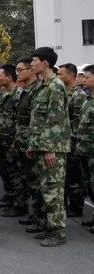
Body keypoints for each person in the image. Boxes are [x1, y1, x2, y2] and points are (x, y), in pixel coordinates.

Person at [27, 47, 71, 246]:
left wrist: (50, 149)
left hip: (52, 148)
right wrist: (33, 144)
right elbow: (38, 120)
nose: (32, 64)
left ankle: (58, 232)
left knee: (53, 191)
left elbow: (56, 120)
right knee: (45, 189)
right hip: (41, 146)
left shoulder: (55, 86)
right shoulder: (42, 85)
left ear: (45, 63)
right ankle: (50, 226)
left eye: (34, 60)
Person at [5, 57, 39, 220]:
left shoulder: (37, 91)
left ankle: (39, 217)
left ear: (31, 70)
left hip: (31, 144)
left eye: (20, 70)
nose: (17, 73)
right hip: (21, 142)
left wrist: (32, 144)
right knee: (26, 180)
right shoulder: (24, 91)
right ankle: (32, 213)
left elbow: (36, 122)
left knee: (35, 182)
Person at [58, 63, 88, 217]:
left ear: (70, 75)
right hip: (63, 142)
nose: (58, 77)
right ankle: (67, 204)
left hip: (73, 142)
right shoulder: (62, 92)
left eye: (61, 74)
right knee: (66, 176)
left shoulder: (78, 95)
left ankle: (76, 207)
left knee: (75, 176)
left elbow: (77, 122)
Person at [0, 64, 20, 211]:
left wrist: (16, 142)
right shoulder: (3, 94)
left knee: (15, 174)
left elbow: (21, 120)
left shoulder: (18, 94)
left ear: (9, 77)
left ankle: (19, 203)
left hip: (12, 143)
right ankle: (9, 196)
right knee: (4, 171)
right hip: (1, 141)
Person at [75, 65, 94, 231]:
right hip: (84, 150)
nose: (83, 80)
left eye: (87, 77)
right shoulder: (88, 99)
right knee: (89, 186)